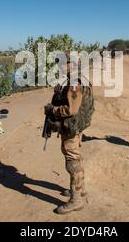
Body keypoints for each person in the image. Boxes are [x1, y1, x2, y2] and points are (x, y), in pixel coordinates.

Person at [43, 52, 95, 215]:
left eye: (63, 63)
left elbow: (71, 109)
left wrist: (52, 109)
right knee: (75, 156)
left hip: (71, 128)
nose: (60, 66)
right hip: (74, 127)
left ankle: (76, 200)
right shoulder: (75, 79)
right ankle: (81, 189)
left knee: (72, 161)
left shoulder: (75, 82)